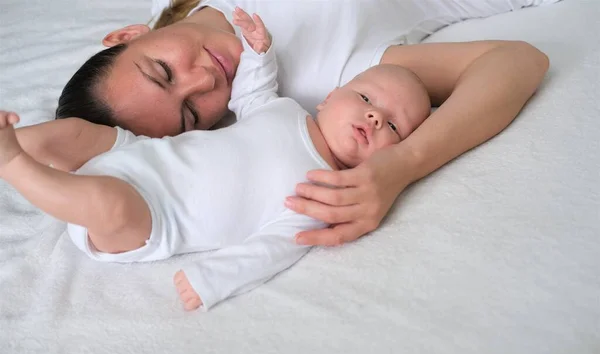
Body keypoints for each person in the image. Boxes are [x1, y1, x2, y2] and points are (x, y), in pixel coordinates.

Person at [0, 7, 431, 310]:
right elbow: (253, 92)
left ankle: (15, 164)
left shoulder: (324, 193)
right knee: (77, 135)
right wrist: (260, 53)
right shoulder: (283, 110)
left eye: (393, 127)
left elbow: (275, 249)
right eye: (365, 98)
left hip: (155, 217)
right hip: (137, 153)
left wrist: (216, 278)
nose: (375, 116)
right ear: (330, 99)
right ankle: (17, 142)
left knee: (107, 204)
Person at [54, 0, 555, 247]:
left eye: (162, 71)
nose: (204, 79)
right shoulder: (331, 86)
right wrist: (403, 163)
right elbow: (516, 60)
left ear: (127, 35)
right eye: (190, 112)